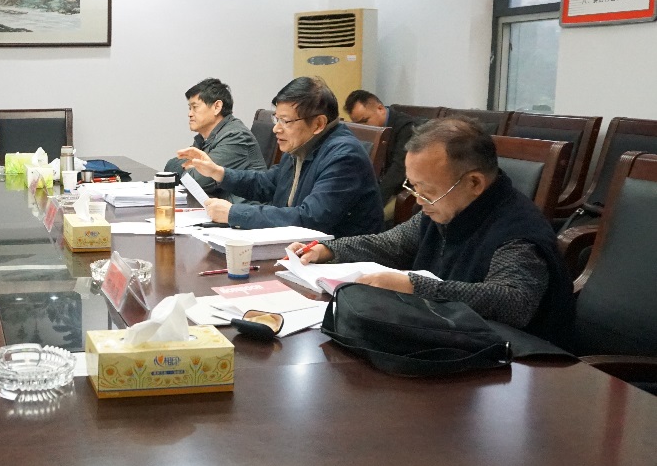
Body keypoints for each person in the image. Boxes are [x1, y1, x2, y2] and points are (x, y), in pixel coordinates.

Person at [288, 117, 574, 339]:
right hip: (452, 338)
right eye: (414, 187)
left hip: (515, 366)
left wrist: (414, 286)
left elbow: (513, 301)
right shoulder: (447, 208)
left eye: (427, 191)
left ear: (474, 183)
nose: (419, 200)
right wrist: (329, 249)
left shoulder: (518, 232)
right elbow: (392, 243)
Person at [177, 76, 384, 237]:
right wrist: (218, 172)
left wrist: (234, 213)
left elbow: (310, 219)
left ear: (319, 124)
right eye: (277, 119)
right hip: (296, 248)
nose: (276, 128)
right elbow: (267, 184)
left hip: (339, 261)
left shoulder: (344, 157)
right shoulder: (301, 145)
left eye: (285, 121)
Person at [162, 78, 265, 201]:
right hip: (217, 206)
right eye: (189, 108)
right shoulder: (205, 137)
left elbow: (198, 181)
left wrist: (188, 168)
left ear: (217, 107)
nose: (190, 114)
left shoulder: (236, 136)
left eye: (195, 107)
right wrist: (187, 168)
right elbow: (170, 166)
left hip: (242, 210)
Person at [344, 90, 421, 207]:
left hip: (397, 191)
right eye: (358, 123)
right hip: (374, 185)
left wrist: (374, 203)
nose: (363, 127)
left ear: (380, 109)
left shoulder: (406, 127)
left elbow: (398, 171)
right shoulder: (369, 131)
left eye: (365, 121)